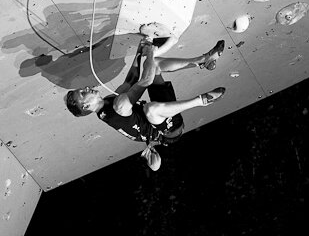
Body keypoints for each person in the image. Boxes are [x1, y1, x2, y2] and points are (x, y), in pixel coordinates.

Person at [65, 23, 226, 171]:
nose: (87, 88)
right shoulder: (118, 107)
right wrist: (149, 52)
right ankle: (201, 101)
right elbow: (146, 81)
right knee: (151, 108)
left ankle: (203, 60)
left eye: (83, 89)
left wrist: (139, 53)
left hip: (160, 116)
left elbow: (130, 81)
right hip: (169, 131)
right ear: (85, 106)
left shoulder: (106, 103)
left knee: (155, 64)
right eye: (83, 93)